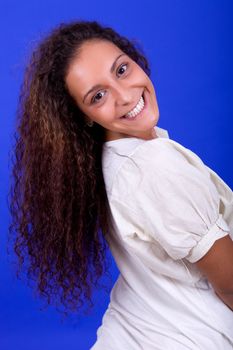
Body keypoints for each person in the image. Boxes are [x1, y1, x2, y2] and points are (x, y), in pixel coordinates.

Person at [8, 19, 233, 349]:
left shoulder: (106, 160)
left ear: (134, 59)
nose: (125, 96)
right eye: (98, 95)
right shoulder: (155, 166)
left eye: (122, 70)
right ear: (84, 114)